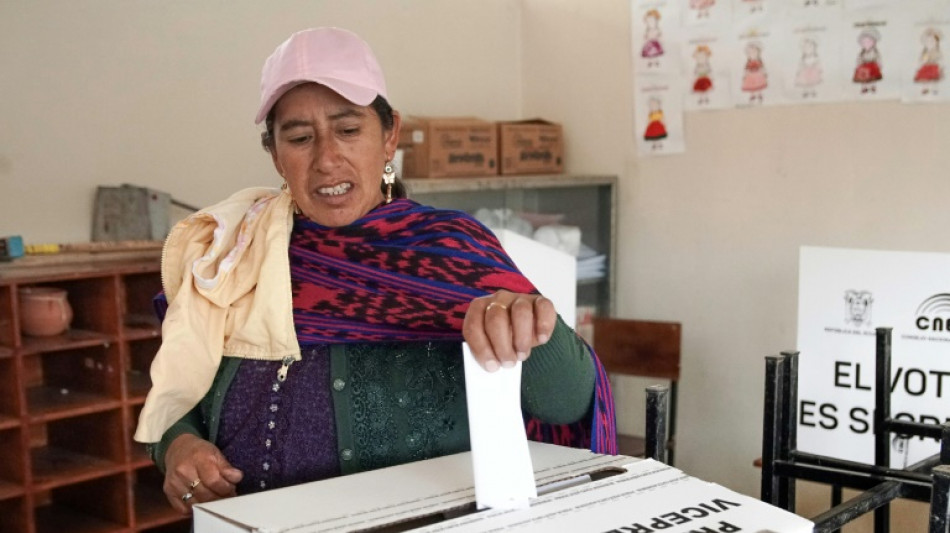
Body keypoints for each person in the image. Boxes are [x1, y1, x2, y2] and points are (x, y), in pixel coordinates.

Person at [133, 27, 616, 514]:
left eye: (348, 130)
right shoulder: (235, 251)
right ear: (276, 156)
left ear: (389, 137)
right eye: (300, 138)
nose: (326, 159)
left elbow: (567, 401)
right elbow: (177, 387)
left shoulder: (447, 250)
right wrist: (176, 445)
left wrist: (527, 323)